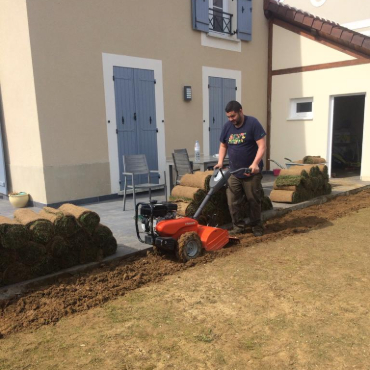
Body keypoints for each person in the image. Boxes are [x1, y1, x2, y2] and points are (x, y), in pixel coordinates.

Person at [214, 100, 266, 237]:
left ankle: (256, 225)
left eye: (233, 116)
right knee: (232, 200)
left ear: (240, 111)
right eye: (228, 117)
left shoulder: (253, 123)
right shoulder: (227, 127)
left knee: (253, 199)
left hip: (251, 172)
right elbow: (223, 145)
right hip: (234, 172)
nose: (231, 119)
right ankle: (238, 226)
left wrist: (255, 164)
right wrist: (220, 162)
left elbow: (262, 146)